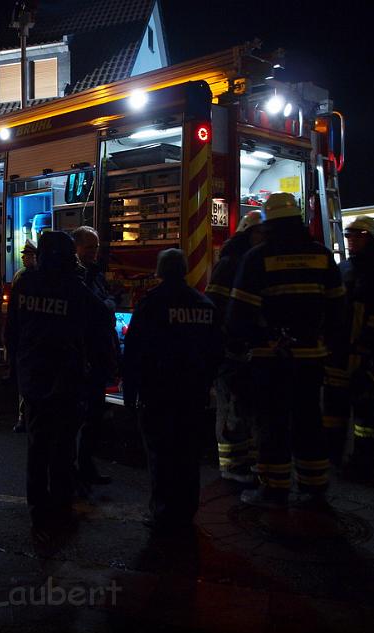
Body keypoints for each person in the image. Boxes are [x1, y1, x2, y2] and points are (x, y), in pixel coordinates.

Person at [227, 192, 345, 508]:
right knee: (309, 419)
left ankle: (274, 490)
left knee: (273, 422)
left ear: (268, 225)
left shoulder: (257, 259)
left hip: (271, 358)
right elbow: (338, 311)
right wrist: (332, 348)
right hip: (311, 359)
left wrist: (246, 345)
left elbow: (240, 314)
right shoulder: (322, 256)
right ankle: (314, 485)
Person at [5, 231, 113, 538]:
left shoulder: (25, 283)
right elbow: (101, 318)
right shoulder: (72, 288)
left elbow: (12, 329)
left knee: (37, 445)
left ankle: (38, 509)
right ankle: (60, 507)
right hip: (64, 381)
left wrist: (15, 365)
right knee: (63, 447)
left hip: (33, 378)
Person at [122, 249, 222, 534]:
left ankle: (163, 512)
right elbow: (216, 351)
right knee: (188, 455)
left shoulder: (151, 305)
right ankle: (187, 510)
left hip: (158, 395)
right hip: (193, 396)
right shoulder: (205, 305)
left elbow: (134, 353)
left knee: (161, 455)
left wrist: (130, 394)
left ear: (159, 271)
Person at [323, 215, 374, 481]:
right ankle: (333, 457)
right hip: (340, 354)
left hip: (370, 357)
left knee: (368, 414)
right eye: (349, 236)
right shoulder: (343, 269)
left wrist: (366, 345)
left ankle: (365, 463)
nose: (352, 240)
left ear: (371, 239)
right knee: (334, 410)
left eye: (358, 236)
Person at [205, 211, 265, 484]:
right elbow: (216, 305)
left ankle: (246, 461)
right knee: (229, 406)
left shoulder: (254, 262)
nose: (263, 238)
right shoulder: (230, 263)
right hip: (230, 347)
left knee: (246, 406)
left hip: (249, 347)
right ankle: (230, 466)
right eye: (258, 233)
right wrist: (225, 339)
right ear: (247, 234)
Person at [72, 225, 118, 487]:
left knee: (93, 417)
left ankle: (86, 465)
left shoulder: (94, 274)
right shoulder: (77, 277)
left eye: (96, 247)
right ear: (76, 248)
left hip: (97, 356)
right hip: (84, 357)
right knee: (81, 417)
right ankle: (75, 468)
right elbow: (99, 308)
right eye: (89, 247)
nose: (94, 252)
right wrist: (109, 305)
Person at [10, 239, 37, 434]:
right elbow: (14, 312)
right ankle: (23, 417)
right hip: (26, 336)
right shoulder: (20, 277)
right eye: (25, 256)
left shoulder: (43, 277)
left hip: (35, 337)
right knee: (25, 381)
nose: (27, 259)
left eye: (30, 256)